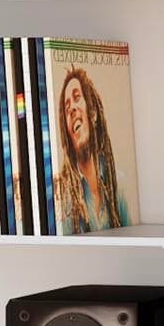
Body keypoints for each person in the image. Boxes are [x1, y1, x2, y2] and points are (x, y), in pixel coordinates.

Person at [53, 65, 131, 232]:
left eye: (77, 97)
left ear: (93, 113)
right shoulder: (64, 197)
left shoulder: (118, 183)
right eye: (67, 108)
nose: (72, 109)